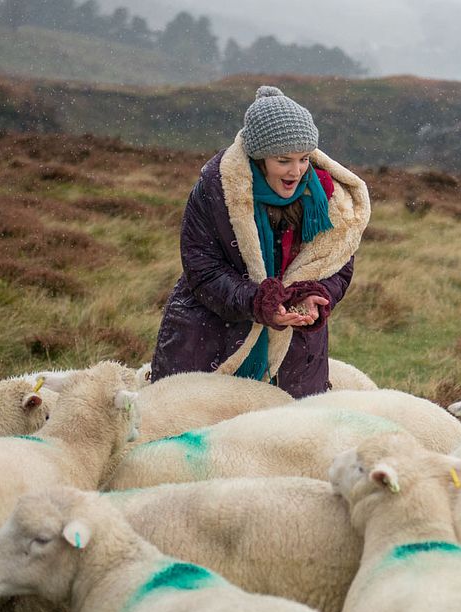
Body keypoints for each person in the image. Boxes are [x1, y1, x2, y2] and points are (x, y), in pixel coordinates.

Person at [149, 85, 369, 398]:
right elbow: (203, 270)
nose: (296, 171)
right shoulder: (217, 190)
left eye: (304, 158)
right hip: (211, 337)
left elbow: (338, 261)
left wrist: (314, 296)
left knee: (284, 439)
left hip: (295, 354)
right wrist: (258, 302)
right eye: (283, 160)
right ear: (259, 157)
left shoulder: (326, 196)